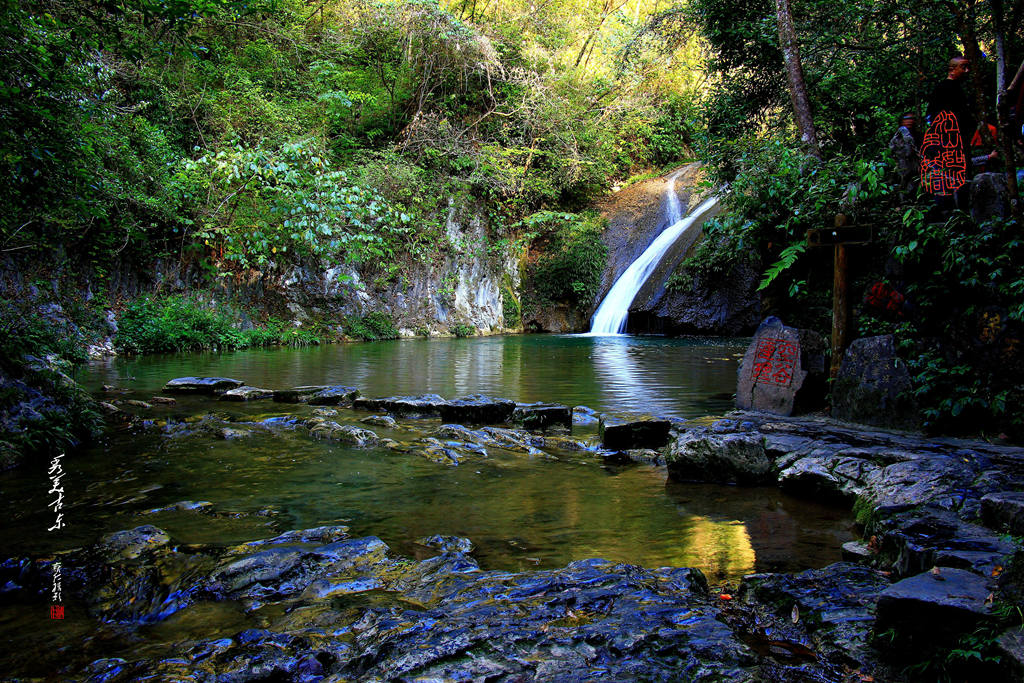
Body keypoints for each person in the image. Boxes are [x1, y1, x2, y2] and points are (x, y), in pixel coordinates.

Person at [921, 56, 974, 204]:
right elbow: (932, 116)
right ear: (952, 69)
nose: (967, 71)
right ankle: (945, 210)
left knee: (961, 175)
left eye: (967, 67)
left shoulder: (959, 89)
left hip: (960, 141)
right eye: (963, 67)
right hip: (947, 142)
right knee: (945, 176)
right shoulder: (943, 88)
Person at [889, 113, 921, 196]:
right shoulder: (897, 136)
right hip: (901, 168)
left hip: (915, 167)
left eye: (911, 119)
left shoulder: (917, 135)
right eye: (906, 119)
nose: (909, 121)